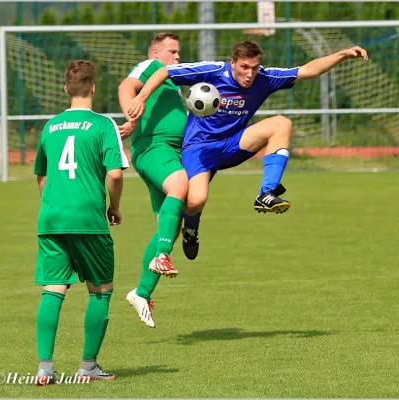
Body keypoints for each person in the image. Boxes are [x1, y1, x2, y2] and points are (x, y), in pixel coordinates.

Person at [127, 40, 368, 260]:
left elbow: (308, 70)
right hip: (199, 149)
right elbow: (164, 71)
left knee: (282, 123)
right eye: (244, 67)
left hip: (234, 144)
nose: (249, 73)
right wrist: (142, 97)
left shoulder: (264, 77)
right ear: (233, 63)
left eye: (254, 67)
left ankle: (266, 193)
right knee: (194, 201)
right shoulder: (212, 70)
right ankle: (191, 228)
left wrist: (344, 54)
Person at [34, 60, 128, 384]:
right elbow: (115, 174)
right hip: (88, 218)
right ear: (93, 87)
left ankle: (45, 367)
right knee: (100, 291)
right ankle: (88, 367)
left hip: (52, 218)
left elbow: (42, 176)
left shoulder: (49, 127)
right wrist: (114, 208)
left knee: (53, 288)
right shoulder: (103, 125)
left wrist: (55, 204)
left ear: (65, 88)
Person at [118, 33, 188, 328]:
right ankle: (162, 255)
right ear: (156, 53)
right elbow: (126, 86)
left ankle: (142, 292)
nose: (177, 56)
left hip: (170, 151)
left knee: (170, 226)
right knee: (180, 184)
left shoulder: (170, 82)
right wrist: (132, 116)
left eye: (179, 52)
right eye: (172, 51)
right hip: (154, 149)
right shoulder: (149, 66)